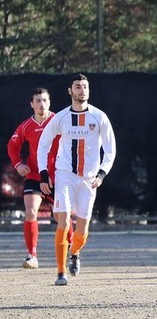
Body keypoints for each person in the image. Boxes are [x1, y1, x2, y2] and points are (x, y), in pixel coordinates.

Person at [37, 74, 117, 286]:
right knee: (62, 221)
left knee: (82, 230)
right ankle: (61, 272)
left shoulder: (99, 117)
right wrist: (44, 173)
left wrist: (102, 173)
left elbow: (110, 150)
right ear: (70, 91)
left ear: (88, 91)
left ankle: (74, 253)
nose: (82, 91)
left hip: (89, 179)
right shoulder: (61, 118)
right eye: (77, 87)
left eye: (85, 87)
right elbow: (43, 144)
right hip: (64, 175)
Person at [6, 87, 69, 269]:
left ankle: (72, 250)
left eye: (45, 100)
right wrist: (18, 164)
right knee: (31, 211)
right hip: (34, 175)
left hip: (58, 175)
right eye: (38, 101)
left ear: (49, 102)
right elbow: (12, 145)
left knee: (61, 217)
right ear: (32, 104)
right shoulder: (26, 126)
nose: (42, 104)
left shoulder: (59, 122)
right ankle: (32, 255)